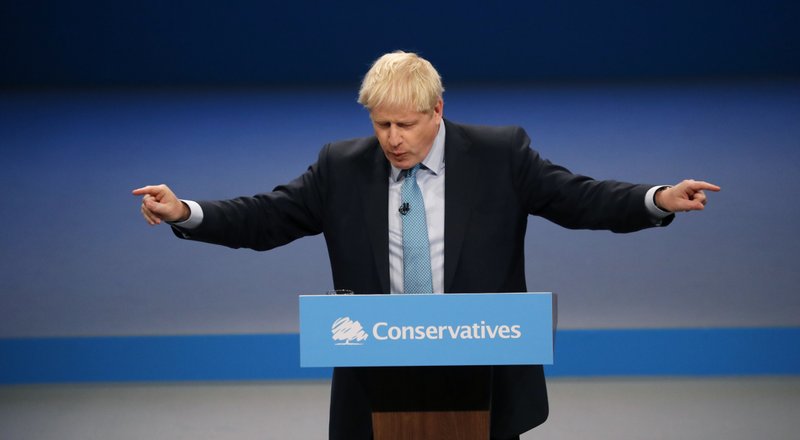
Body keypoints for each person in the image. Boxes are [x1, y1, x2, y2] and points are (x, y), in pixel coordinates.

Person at [133, 51, 719, 439]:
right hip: (378, 372)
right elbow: (268, 218)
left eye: (405, 125)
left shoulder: (499, 155)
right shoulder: (341, 167)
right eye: (380, 124)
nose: (391, 139)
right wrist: (188, 212)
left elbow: (579, 198)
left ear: (437, 111)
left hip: (483, 369)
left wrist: (658, 199)